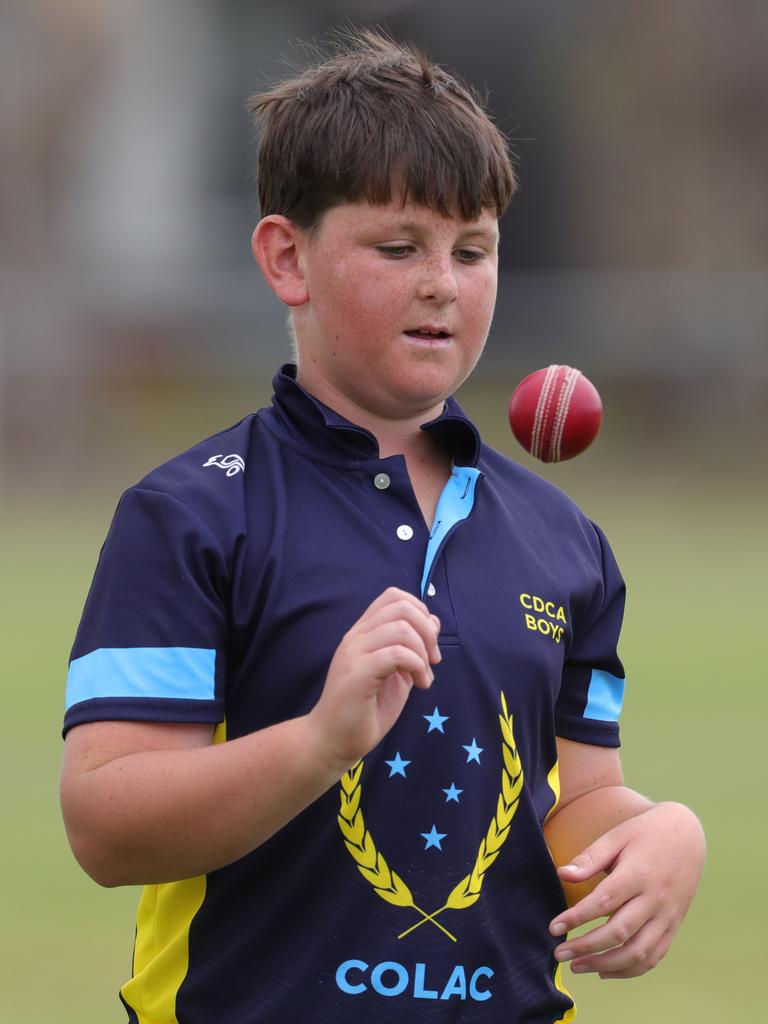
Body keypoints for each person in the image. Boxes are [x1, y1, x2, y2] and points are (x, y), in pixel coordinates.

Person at [60, 28, 705, 1023]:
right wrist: (317, 743)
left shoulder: (563, 540)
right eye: (398, 247)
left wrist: (663, 837)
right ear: (287, 258)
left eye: (473, 250)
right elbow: (108, 826)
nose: (443, 282)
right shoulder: (193, 514)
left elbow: (575, 804)